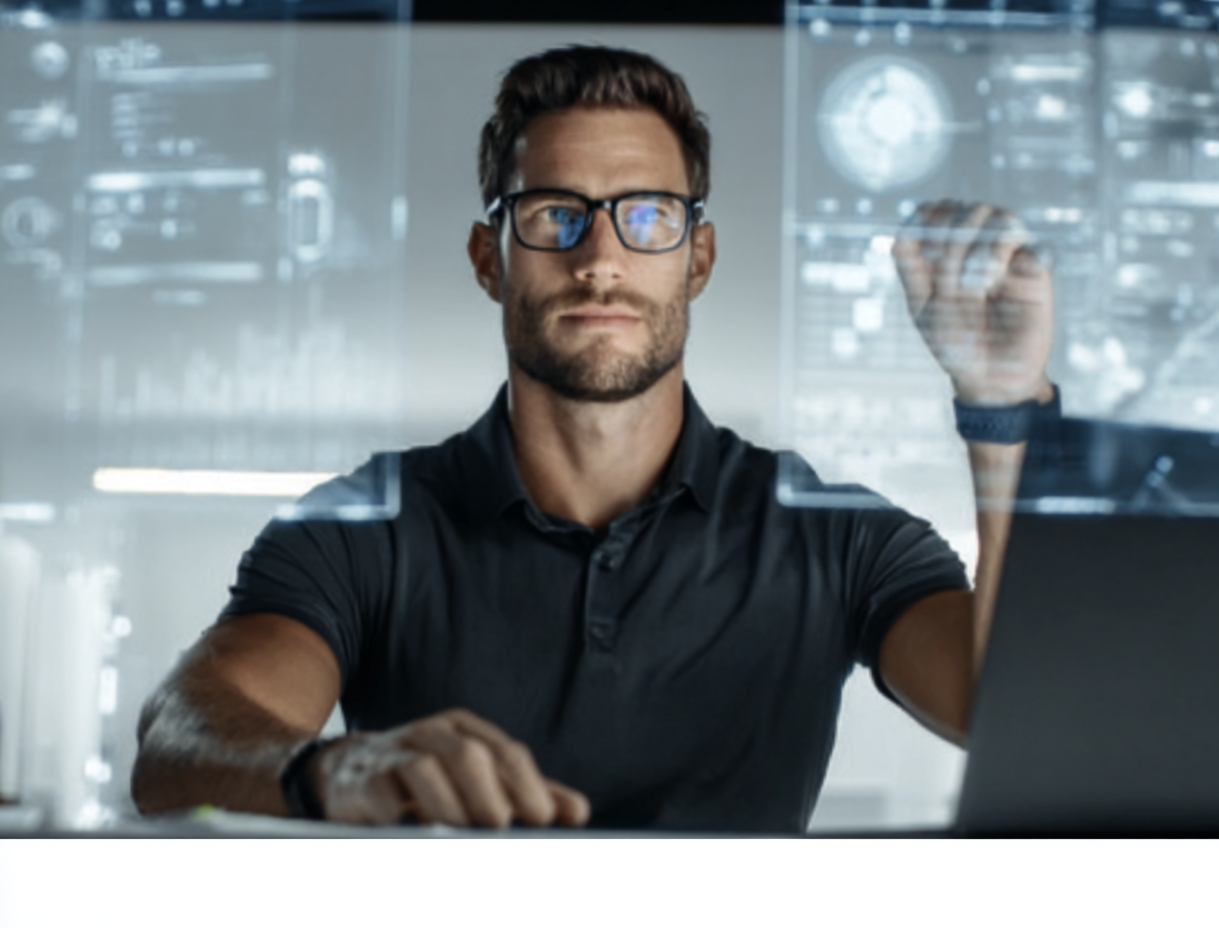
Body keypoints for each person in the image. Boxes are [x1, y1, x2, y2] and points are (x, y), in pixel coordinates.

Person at [130, 45, 1056, 832]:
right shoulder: (361, 529)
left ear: (697, 260)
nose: (600, 257)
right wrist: (335, 771)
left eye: (647, 215)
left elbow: (1011, 713)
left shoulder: (837, 536)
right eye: (554, 215)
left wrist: (1004, 410)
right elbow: (180, 739)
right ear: (491, 260)